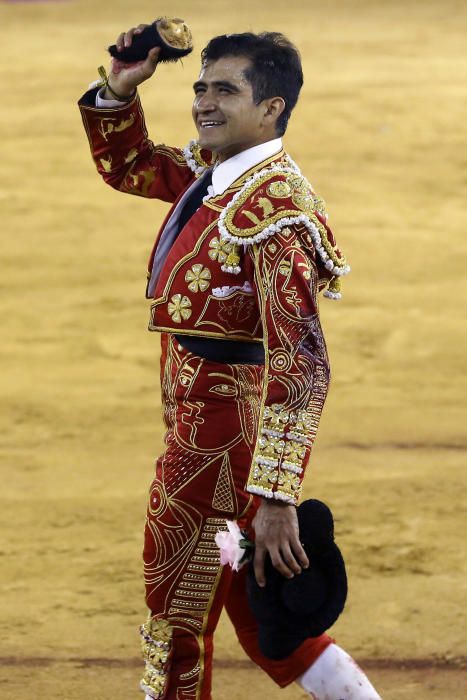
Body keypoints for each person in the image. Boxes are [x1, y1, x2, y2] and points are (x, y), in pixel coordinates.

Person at [79, 24, 381, 700]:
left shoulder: (276, 210)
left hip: (218, 441)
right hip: (208, 426)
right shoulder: (221, 174)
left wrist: (275, 496)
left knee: (175, 619)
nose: (203, 103)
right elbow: (128, 166)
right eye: (199, 87)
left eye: (224, 90)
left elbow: (299, 362)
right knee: (256, 609)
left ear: (271, 107)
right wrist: (122, 87)